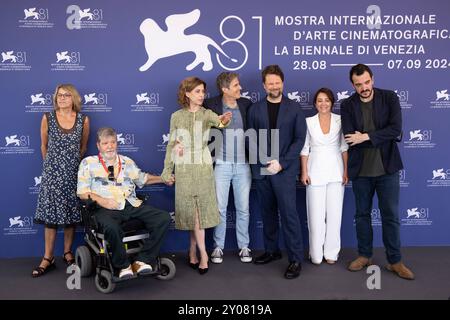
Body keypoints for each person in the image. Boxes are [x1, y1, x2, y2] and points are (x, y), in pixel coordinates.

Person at [340, 63, 415, 280]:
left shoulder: (389, 98)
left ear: (372, 79)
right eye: (358, 84)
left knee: (390, 216)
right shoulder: (347, 105)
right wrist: (377, 136)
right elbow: (349, 137)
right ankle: (365, 255)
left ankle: (395, 261)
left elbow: (395, 129)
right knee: (362, 215)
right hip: (361, 171)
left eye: (366, 82)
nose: (363, 87)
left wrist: (365, 136)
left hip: (387, 169)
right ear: (352, 85)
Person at [77, 127, 171, 279]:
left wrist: (163, 178)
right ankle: (123, 265)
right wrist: (103, 201)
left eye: (113, 142)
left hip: (130, 204)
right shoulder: (88, 163)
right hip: (104, 207)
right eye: (105, 143)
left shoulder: (127, 162)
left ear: (117, 143)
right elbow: (82, 192)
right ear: (98, 145)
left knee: (163, 218)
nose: (110, 146)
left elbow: (143, 179)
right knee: (111, 227)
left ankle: (143, 260)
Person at [161, 77, 232, 275]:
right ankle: (193, 250)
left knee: (199, 214)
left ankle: (203, 254)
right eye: (198, 91)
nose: (202, 95)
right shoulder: (176, 117)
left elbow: (220, 122)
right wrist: (168, 170)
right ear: (187, 93)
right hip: (184, 170)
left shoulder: (207, 114)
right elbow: (172, 145)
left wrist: (225, 119)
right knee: (192, 214)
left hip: (202, 168)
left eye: (203, 91)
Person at [247, 65, 307, 279]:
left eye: (277, 82)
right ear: (264, 85)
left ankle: (295, 259)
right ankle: (272, 251)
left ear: (283, 82)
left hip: (285, 170)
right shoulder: (255, 109)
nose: (274, 86)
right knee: (268, 213)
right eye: (270, 83)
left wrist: (282, 163)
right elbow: (251, 137)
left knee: (289, 215)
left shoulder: (294, 108)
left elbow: (300, 139)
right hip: (263, 170)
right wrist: (263, 163)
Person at [32, 84, 90, 277]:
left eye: (66, 95)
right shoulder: (47, 118)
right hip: (51, 175)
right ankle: (48, 257)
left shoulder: (83, 120)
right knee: (50, 217)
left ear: (74, 98)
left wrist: (69, 165)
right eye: (59, 95)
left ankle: (67, 252)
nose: (62, 98)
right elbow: (43, 146)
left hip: (73, 174)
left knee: (70, 216)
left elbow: (83, 148)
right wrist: (52, 167)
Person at [204, 72, 253, 264]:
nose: (240, 88)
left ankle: (244, 246)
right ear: (225, 89)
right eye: (235, 85)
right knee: (220, 209)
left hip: (243, 165)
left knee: (243, 208)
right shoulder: (211, 105)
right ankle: (218, 247)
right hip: (221, 165)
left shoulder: (246, 104)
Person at [300, 88, 348, 265]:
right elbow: (305, 149)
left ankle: (331, 253)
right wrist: (304, 172)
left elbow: (344, 147)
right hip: (315, 171)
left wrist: (345, 171)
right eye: (319, 100)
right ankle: (316, 254)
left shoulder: (340, 120)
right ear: (315, 103)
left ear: (332, 102)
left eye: (326, 100)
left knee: (335, 215)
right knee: (315, 215)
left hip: (336, 171)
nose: (323, 103)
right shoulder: (308, 122)